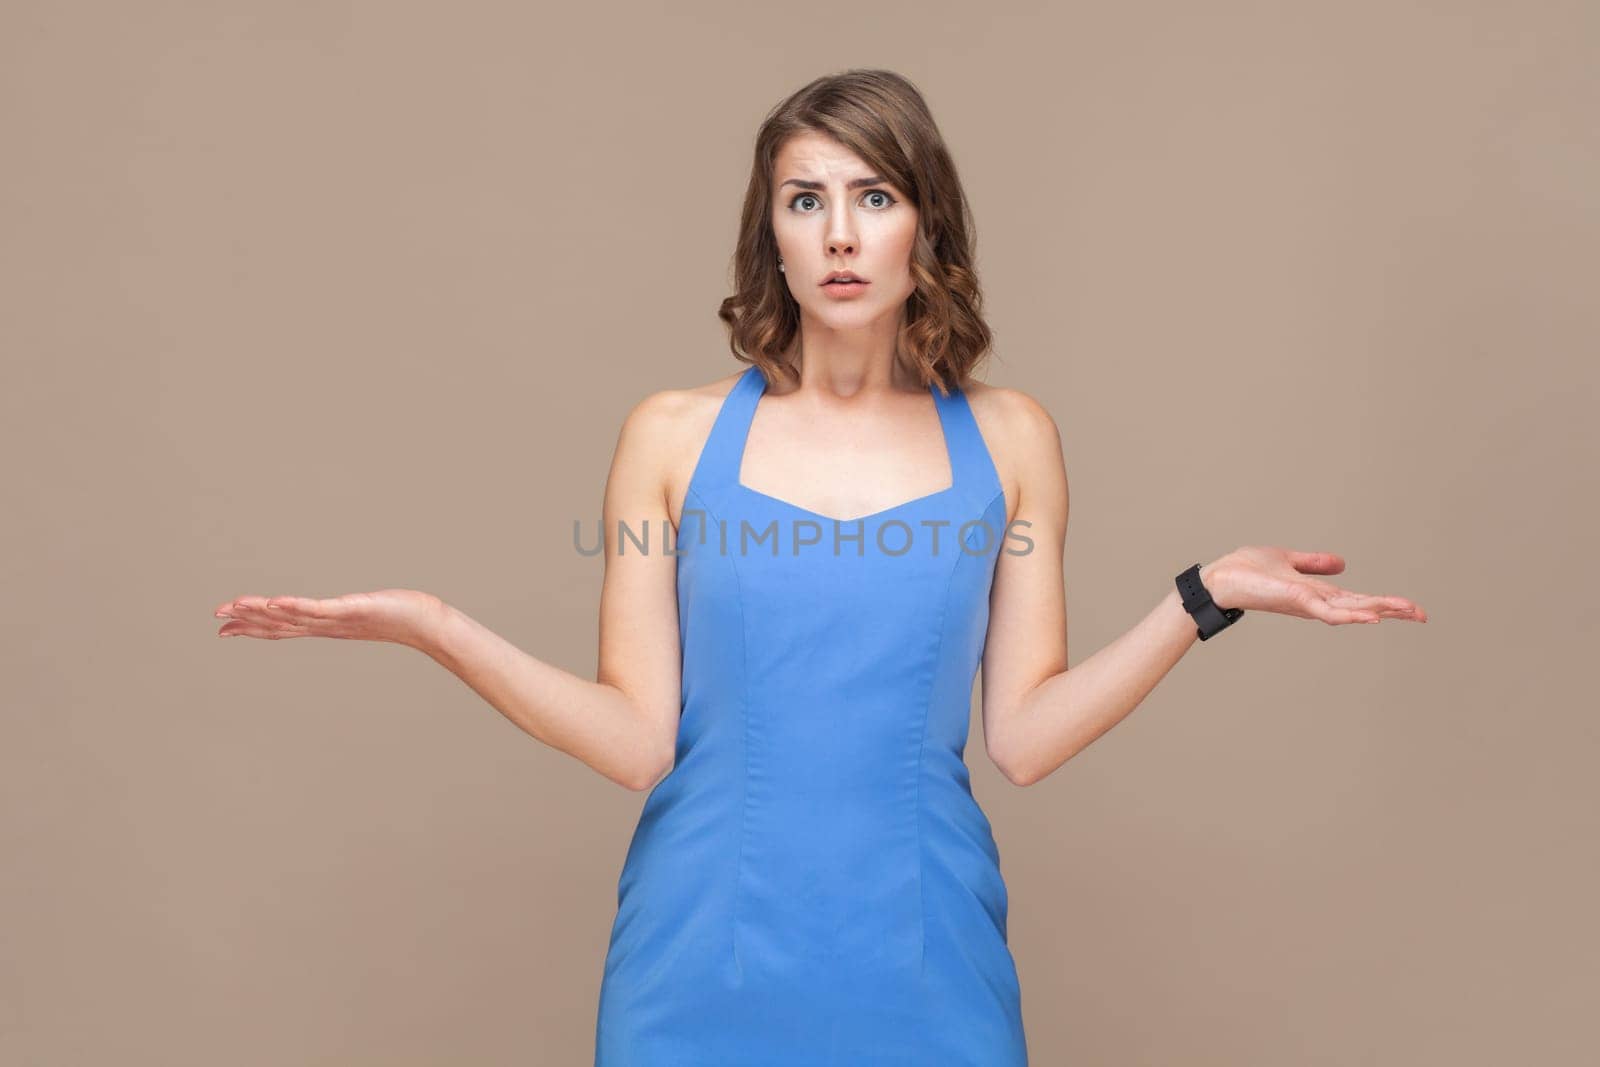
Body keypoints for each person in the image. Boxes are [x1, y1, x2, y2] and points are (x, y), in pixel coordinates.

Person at [212, 69, 1427, 1066]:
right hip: (695, 968)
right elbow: (639, 740)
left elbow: (1026, 734)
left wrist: (1199, 597)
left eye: (874, 195)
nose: (840, 233)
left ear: (925, 226)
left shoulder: (1011, 441)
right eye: (805, 201)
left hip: (926, 965)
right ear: (770, 235)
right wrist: (434, 624)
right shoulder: (672, 436)